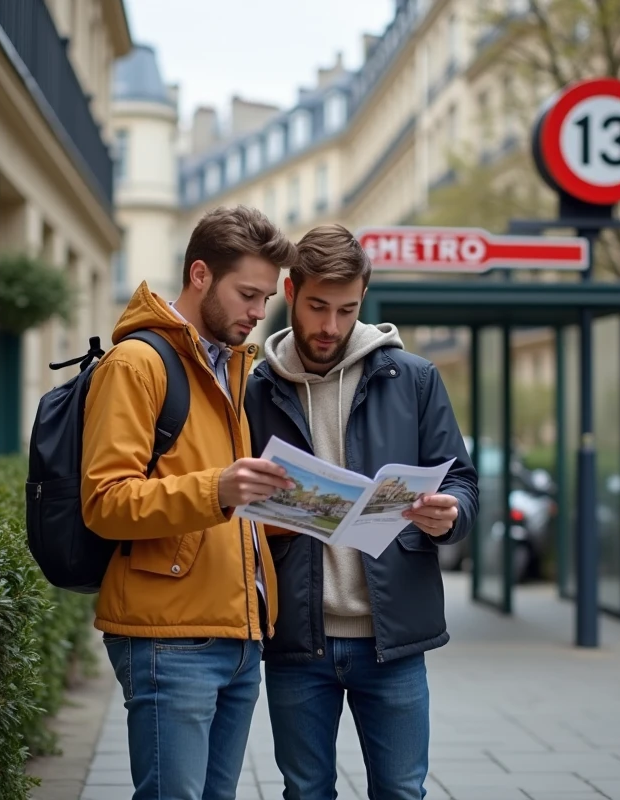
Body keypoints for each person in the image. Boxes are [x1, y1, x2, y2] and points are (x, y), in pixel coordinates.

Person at [244, 223, 478, 800]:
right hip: (297, 638)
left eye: (347, 310)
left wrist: (451, 513)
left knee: (401, 791)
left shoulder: (413, 378)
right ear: (291, 292)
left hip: (392, 639)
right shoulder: (255, 389)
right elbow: (229, 499)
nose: (331, 325)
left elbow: (461, 479)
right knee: (305, 792)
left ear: (363, 299)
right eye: (318, 307)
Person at [80, 205, 300, 800]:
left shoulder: (232, 365)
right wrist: (218, 489)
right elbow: (105, 501)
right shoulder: (137, 364)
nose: (259, 313)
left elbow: (226, 507)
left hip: (240, 633)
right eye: (247, 295)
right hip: (170, 637)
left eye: (265, 299)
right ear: (200, 275)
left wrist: (302, 510)